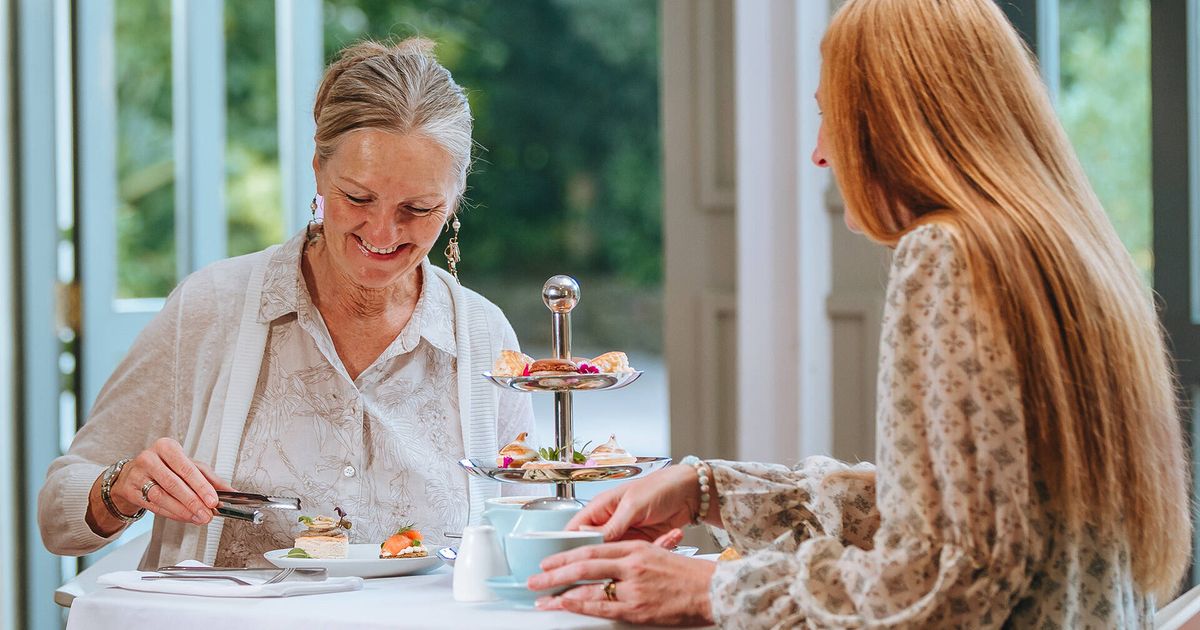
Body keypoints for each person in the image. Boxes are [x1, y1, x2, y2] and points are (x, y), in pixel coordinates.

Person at [528, 0, 1192, 626]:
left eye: (833, 118)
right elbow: (979, 514)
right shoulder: (1063, 250)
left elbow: (954, 583)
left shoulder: (950, 254)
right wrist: (711, 490)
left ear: (899, 121)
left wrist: (714, 589)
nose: (821, 151)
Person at [38, 38, 535, 569]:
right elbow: (57, 516)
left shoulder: (485, 339)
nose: (383, 232)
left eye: (418, 208)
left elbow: (525, 536)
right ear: (318, 169)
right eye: (358, 198)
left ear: (454, 197)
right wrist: (120, 487)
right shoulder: (212, 307)